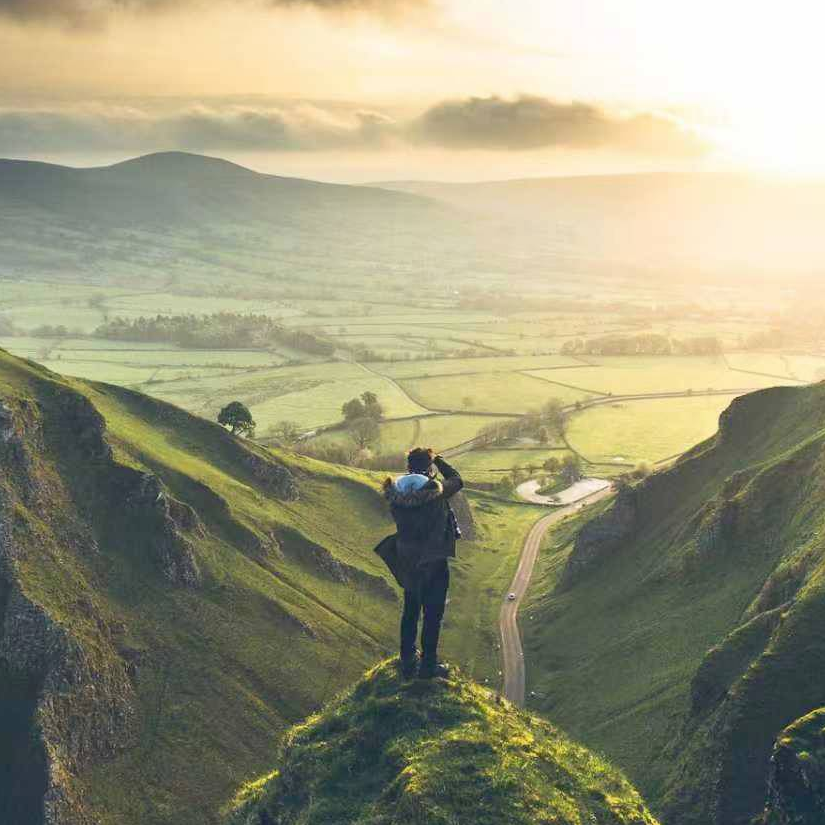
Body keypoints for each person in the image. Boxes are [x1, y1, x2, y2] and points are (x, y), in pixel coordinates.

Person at [380, 447, 463, 680]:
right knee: (433, 615)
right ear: (428, 468)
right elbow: (457, 480)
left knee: (410, 611)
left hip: (408, 561)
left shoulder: (395, 494)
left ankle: (407, 661)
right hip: (434, 561)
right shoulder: (435, 491)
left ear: (408, 467)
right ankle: (428, 666)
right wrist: (439, 460)